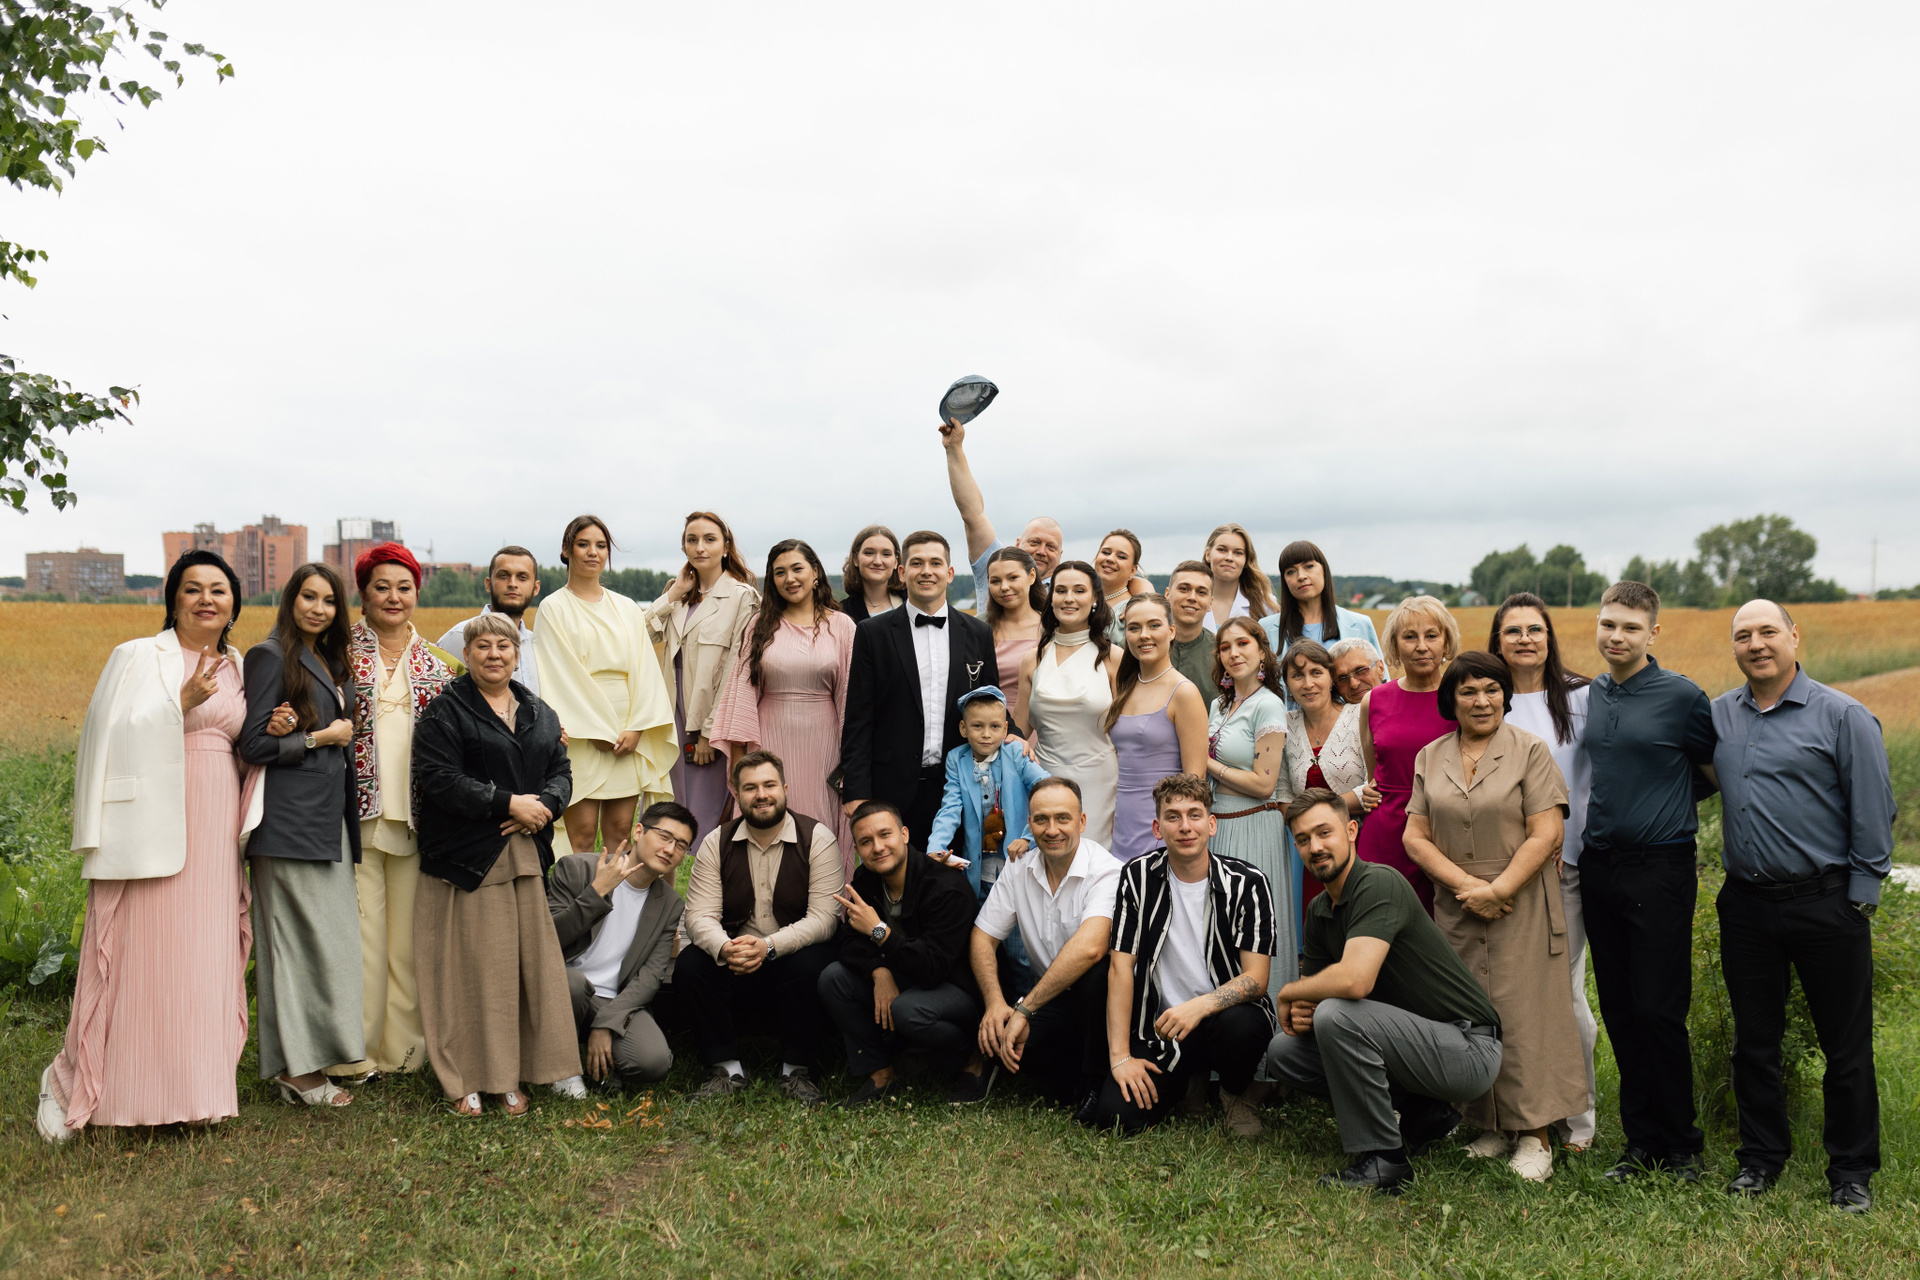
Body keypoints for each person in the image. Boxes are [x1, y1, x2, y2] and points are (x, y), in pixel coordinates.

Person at [37, 552, 262, 1142]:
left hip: (214, 827)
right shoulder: (137, 655)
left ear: (234, 603)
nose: (206, 599)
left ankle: (195, 1094)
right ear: (173, 599)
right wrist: (177, 704)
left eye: (218, 589)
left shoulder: (241, 666)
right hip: (147, 825)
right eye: (193, 588)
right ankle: (87, 1084)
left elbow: (245, 745)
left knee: (203, 959)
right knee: (141, 956)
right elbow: (103, 735)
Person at [1712, 600, 1894, 1213]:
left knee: (1845, 1047)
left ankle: (1851, 1172)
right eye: (1744, 635)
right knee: (1754, 1043)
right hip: (1746, 906)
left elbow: (1874, 808)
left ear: (1795, 636)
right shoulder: (1718, 715)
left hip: (1827, 903)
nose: (1756, 644)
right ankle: (1760, 1159)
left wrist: (1860, 899)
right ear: (1734, 647)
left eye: (1768, 631)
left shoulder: (1843, 716)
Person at [1263, 790, 1504, 1195]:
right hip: (1410, 1044)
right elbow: (1316, 1003)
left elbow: (1354, 982)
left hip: (1467, 1046)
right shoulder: (1319, 912)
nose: (1315, 847)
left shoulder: (1378, 883)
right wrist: (1303, 1009)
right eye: (1303, 839)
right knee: (1285, 1053)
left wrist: (1290, 990)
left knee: (1337, 1015)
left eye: (1324, 832)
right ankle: (1423, 1113)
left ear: (1351, 831)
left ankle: (1385, 1160)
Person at [1403, 652, 1583, 1182]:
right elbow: (1415, 835)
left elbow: (1547, 832)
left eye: (1491, 690)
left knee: (1526, 1016)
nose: (1481, 701)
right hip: (1459, 903)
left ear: (1505, 696)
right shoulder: (1431, 756)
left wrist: (1499, 889)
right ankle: (1489, 1125)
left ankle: (1536, 1135)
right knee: (1473, 1014)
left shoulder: (1530, 750)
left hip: (1521, 899)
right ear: (1451, 700)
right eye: (1468, 692)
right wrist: (1468, 887)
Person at [411, 613, 579, 1116]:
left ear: (517, 655)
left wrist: (545, 805)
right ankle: (466, 1077)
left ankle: (512, 1074)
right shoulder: (445, 711)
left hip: (523, 857)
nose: (494, 654)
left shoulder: (539, 712)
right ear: (466, 655)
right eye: (482, 646)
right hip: (467, 858)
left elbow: (561, 770)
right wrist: (506, 803)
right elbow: (438, 778)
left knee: (521, 970)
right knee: (474, 972)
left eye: (503, 646)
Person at [1580, 580, 1718, 1183]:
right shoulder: (1592, 693)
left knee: (1659, 1009)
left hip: (1660, 867)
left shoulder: (1682, 697)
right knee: (1619, 1008)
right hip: (1599, 864)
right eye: (1608, 624)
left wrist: (1663, 804)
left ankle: (1682, 1146)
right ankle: (1641, 1144)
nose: (1617, 636)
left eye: (1631, 628)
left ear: (1652, 633)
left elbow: (1712, 772)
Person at [234, 562, 365, 1108]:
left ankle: (317, 1054)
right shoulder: (269, 656)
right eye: (308, 597)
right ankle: (297, 1072)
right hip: (287, 825)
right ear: (290, 601)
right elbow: (253, 746)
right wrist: (319, 739)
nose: (318, 608)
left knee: (327, 946)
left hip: (326, 820)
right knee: (291, 948)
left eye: (329, 600)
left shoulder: (331, 660)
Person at [331, 541, 461, 1083]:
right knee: (363, 936)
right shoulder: (335, 654)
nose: (393, 597)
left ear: (416, 594)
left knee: (407, 940)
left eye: (403, 587)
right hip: (355, 813)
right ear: (362, 594)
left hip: (416, 817)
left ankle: (404, 1052)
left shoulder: (438, 664)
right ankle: (354, 1049)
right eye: (381, 587)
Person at [1092, 773, 1276, 1136]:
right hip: (1162, 1028)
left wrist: (1200, 1006)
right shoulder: (1137, 876)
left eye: (1194, 815)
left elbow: (1256, 979)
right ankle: (1189, 1082)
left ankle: (1234, 1092)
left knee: (1242, 1025)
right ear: (1157, 828)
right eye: (1173, 817)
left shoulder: (1248, 882)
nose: (1185, 826)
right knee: (1117, 1118)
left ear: (1212, 824)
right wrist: (1121, 1057)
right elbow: (1120, 968)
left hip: (1223, 1018)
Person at [1489, 591, 1599, 1150]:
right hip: (1503, 872)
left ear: (1550, 637)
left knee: (1565, 993)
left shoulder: (1583, 698)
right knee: (1509, 994)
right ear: (1497, 640)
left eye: (1535, 629)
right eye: (1513, 631)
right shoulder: (1487, 698)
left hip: (1567, 866)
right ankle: (1515, 1110)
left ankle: (1578, 1116)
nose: (1525, 639)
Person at [675, 751, 844, 1105]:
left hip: (792, 960)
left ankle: (795, 1070)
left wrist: (769, 945)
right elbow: (699, 915)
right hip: (736, 960)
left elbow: (825, 919)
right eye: (750, 788)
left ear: (785, 789)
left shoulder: (818, 838)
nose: (761, 795)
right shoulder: (716, 842)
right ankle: (726, 1068)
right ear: (737, 794)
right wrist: (726, 948)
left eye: (769, 785)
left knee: (815, 962)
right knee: (691, 963)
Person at [820, 801, 985, 1108]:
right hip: (904, 974)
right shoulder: (866, 879)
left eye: (885, 835)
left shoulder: (945, 886)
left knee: (908, 1010)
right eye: (866, 841)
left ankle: (973, 1055)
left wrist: (879, 931)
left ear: (905, 834)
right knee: (834, 978)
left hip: (955, 988)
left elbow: (933, 967)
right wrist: (878, 972)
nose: (878, 847)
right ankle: (881, 1072)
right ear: (856, 849)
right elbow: (849, 941)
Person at [971, 777, 1121, 1110]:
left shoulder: (1107, 871)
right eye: (1041, 819)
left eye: (1062, 818)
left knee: (1097, 974)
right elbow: (983, 936)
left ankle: (1095, 1081)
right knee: (1010, 1047)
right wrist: (995, 1003)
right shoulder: (1018, 870)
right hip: (1053, 998)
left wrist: (1024, 1009)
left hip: (1107, 1006)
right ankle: (1071, 1077)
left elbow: (1092, 948)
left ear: (1082, 821)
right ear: (1030, 823)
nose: (1052, 830)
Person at [840, 531, 1000, 844]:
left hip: (958, 784)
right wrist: (856, 789)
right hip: (891, 786)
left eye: (935, 563)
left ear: (949, 573)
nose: (927, 571)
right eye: (917, 563)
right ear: (902, 572)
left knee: (955, 871)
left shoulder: (978, 633)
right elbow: (858, 716)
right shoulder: (872, 633)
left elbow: (991, 702)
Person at [709, 539, 857, 874]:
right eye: (779, 572)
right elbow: (741, 694)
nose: (789, 578)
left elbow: (850, 696)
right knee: (767, 818)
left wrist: (851, 761)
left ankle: (823, 899)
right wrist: (740, 762)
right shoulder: (759, 625)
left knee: (819, 826)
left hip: (824, 744)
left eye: (797, 569)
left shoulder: (842, 626)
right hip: (768, 739)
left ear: (815, 573)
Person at [535, 515, 678, 855]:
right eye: (583, 544)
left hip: (626, 731)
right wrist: (594, 729)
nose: (593, 552)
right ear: (566, 550)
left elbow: (645, 669)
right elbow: (558, 673)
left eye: (600, 546)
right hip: (582, 734)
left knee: (621, 832)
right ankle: (581, 892)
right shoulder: (553, 608)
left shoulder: (627, 608)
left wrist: (638, 727)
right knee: (582, 835)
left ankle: (617, 893)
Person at [547, 802, 694, 1095]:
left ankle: (603, 1066)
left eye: (680, 845)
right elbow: (547, 940)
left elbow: (651, 977)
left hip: (612, 999)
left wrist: (606, 1022)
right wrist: (596, 892)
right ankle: (563, 1069)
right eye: (664, 837)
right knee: (573, 985)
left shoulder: (669, 904)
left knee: (653, 1061)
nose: (670, 849)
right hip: (563, 987)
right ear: (638, 832)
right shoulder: (577, 868)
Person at [646, 511, 759, 840]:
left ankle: (708, 871)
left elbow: (738, 668)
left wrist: (710, 733)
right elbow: (638, 636)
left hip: (710, 715)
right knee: (670, 806)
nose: (700, 547)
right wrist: (673, 594)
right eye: (692, 540)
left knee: (706, 817)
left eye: (709, 539)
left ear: (726, 546)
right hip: (671, 712)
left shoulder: (743, 597)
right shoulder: (677, 594)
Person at [1203, 618, 1295, 990]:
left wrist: (1206, 762)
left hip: (1253, 824)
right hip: (1219, 825)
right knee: (1220, 926)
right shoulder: (1219, 704)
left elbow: (1263, 783)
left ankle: (1267, 1013)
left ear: (1261, 651)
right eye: (1225, 647)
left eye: (1243, 644)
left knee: (1252, 929)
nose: (1234, 653)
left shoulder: (1268, 705)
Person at [1356, 596, 1459, 914]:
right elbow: (1374, 773)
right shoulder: (1373, 701)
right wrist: (1370, 790)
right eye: (1410, 637)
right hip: (1385, 835)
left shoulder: (1462, 698)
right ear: (1395, 646)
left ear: (1446, 642)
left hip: (1448, 833)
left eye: (1432, 635)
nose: (1421, 646)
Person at [1019, 561, 1120, 846]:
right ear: (1051, 598)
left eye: (1079, 590)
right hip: (1045, 777)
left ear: (1095, 598)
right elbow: (1018, 730)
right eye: (1061, 590)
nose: (1069, 598)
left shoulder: (1114, 658)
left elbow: (1128, 731)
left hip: (1101, 780)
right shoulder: (1033, 658)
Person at [1106, 595, 1209, 861]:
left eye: (1154, 625)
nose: (1144, 635)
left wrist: (1175, 827)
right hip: (1122, 822)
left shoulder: (1184, 692)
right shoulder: (1126, 686)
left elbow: (1195, 781)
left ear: (1171, 631)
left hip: (1161, 826)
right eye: (1134, 627)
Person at [1279, 639, 1375, 921]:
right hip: (1314, 852)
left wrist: (1314, 813)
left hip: (1360, 842)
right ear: (1288, 684)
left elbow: (1371, 789)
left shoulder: (1358, 715)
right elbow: (1282, 794)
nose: (1308, 684)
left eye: (1316, 673)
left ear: (1331, 678)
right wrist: (1312, 823)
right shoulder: (1285, 725)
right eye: (1297, 675)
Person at [927, 687, 1051, 900]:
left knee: (1020, 912)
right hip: (981, 864)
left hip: (1020, 857)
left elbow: (1047, 789)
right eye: (977, 726)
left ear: (1005, 729)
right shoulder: (957, 759)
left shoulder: (1015, 752)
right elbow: (950, 808)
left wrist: (1029, 837)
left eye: (994, 726)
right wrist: (936, 846)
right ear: (963, 728)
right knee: (984, 910)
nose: (986, 734)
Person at [939, 414, 1066, 589]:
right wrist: (954, 448)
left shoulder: (1070, 592)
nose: (1041, 551)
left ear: (1060, 555)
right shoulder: (995, 569)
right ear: (1017, 544)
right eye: (1034, 542)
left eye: (1051, 547)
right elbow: (973, 515)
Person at [436, 546, 542, 694]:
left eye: (522, 577)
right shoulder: (460, 637)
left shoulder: (536, 643)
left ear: (536, 588)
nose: (512, 583)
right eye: (503, 576)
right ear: (488, 584)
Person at [1261, 540, 1383, 664]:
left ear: (1324, 570)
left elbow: (1380, 674)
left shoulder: (1361, 624)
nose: (1301, 576)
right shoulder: (1266, 628)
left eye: (1309, 566)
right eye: (1291, 572)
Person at [983, 546, 1045, 729]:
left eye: (1012, 578)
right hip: (990, 728)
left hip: (1042, 727)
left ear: (1031, 576)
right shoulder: (979, 627)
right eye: (995, 581)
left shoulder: (1052, 627)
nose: (1004, 587)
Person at [1201, 523, 1278, 630]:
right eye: (1222, 550)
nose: (1229, 558)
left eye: (1238, 553)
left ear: (1246, 560)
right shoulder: (1190, 599)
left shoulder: (1266, 605)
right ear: (1208, 554)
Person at [1165, 560, 1218, 694]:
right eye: (1184, 589)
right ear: (1167, 594)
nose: (1192, 597)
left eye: (1201, 592)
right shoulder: (1143, 644)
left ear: (1210, 603)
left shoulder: (1221, 652)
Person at [1093, 529, 1152, 644]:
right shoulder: (1080, 598)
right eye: (1106, 552)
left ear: (1133, 570)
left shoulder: (1132, 610)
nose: (1110, 559)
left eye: (1121, 557)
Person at [839, 524, 905, 622]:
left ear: (896, 562)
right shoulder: (841, 612)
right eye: (869, 553)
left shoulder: (913, 603)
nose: (877, 562)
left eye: (886, 554)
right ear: (855, 559)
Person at [1329, 637, 1387, 708]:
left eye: (1361, 671)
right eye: (1343, 679)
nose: (1354, 684)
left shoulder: (1400, 700)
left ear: (1380, 668)